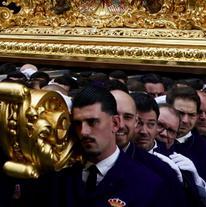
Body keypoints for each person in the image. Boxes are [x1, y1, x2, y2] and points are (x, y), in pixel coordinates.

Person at [29, 85, 174, 207]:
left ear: (115, 124)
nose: (84, 132)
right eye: (78, 124)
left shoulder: (149, 182)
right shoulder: (57, 177)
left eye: (93, 122)